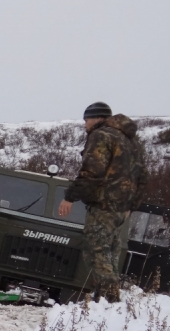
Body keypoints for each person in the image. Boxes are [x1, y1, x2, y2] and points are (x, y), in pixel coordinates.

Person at [58, 102, 148, 303]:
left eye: (86, 120)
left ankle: (109, 301)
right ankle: (109, 304)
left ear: (97, 118)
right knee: (111, 255)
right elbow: (143, 178)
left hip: (103, 205)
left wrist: (69, 197)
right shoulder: (132, 142)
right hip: (120, 210)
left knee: (95, 252)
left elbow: (92, 172)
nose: (85, 125)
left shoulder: (101, 136)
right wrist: (131, 207)